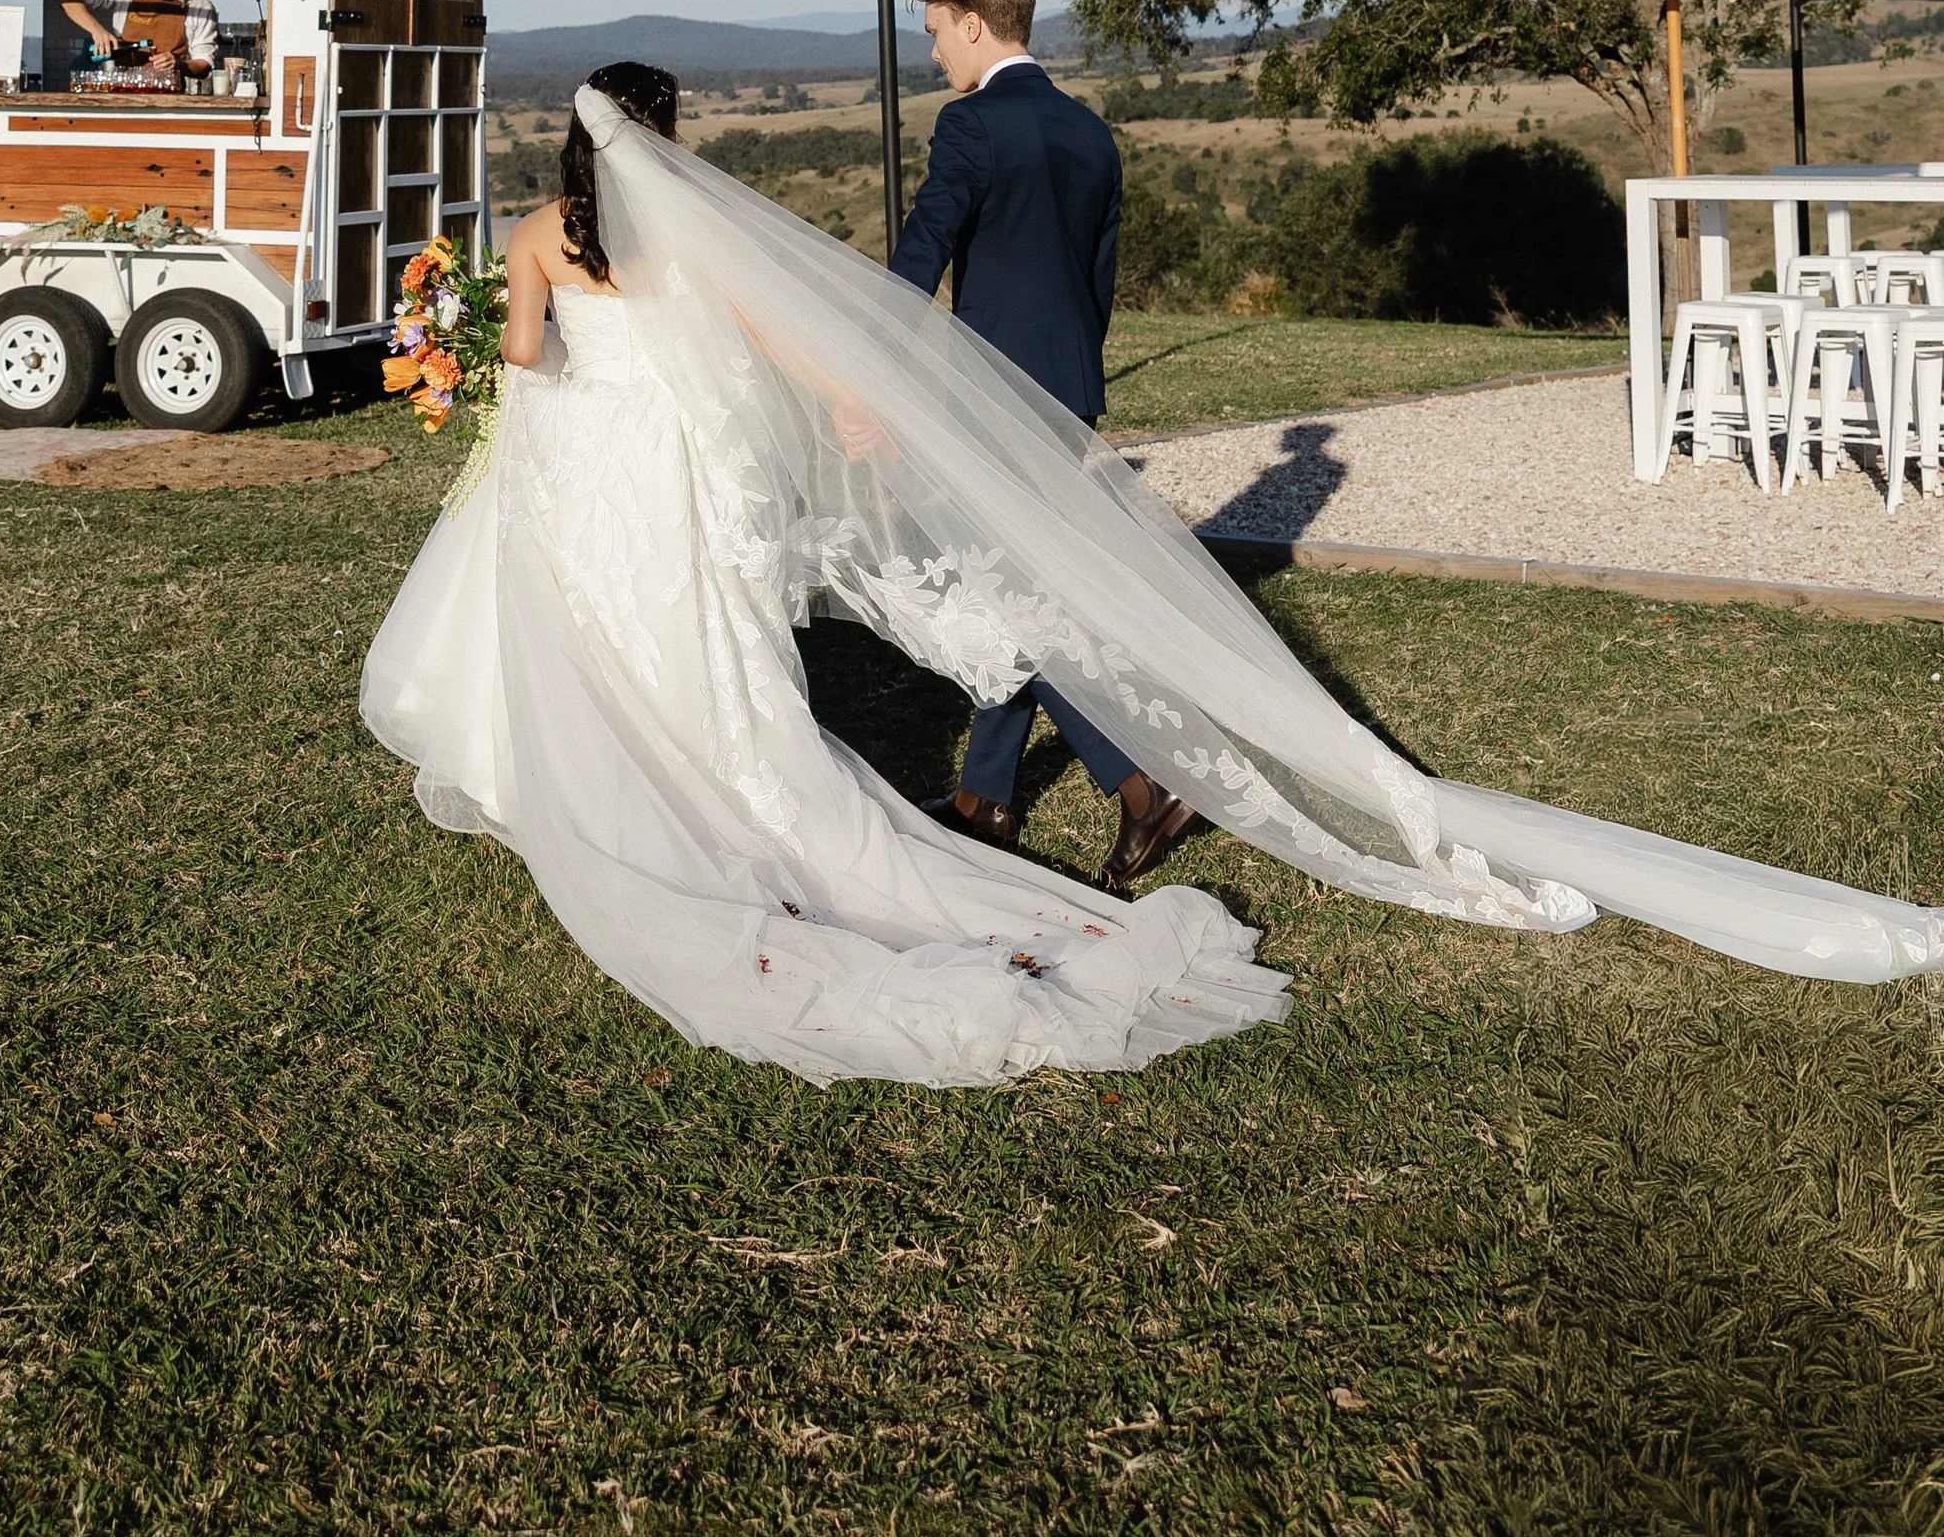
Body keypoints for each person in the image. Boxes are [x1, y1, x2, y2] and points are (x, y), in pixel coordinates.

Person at [361, 68, 1943, 1093]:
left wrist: (486, 384)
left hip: (598, 463)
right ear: (668, 138)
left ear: (570, 141)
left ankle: (641, 790)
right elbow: (787, 344)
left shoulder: (541, 235)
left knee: (603, 636)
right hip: (687, 476)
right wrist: (859, 405)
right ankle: (749, 788)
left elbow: (526, 365)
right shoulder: (703, 235)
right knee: (711, 645)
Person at [889, 0, 1191, 894]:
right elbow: (1095, 286)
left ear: (975, 25)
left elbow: (922, 250)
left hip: (990, 397)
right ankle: (987, 797)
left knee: (1004, 592)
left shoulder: (970, 125)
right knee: (1013, 582)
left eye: (938, 33)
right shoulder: (1088, 131)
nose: (935, 52)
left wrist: (870, 361)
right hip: (1069, 391)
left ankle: (1137, 780)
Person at [61, 0, 219, 82]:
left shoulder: (201, 6)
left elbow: (204, 65)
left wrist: (179, 65)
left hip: (169, 97)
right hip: (122, 90)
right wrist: (97, 30)